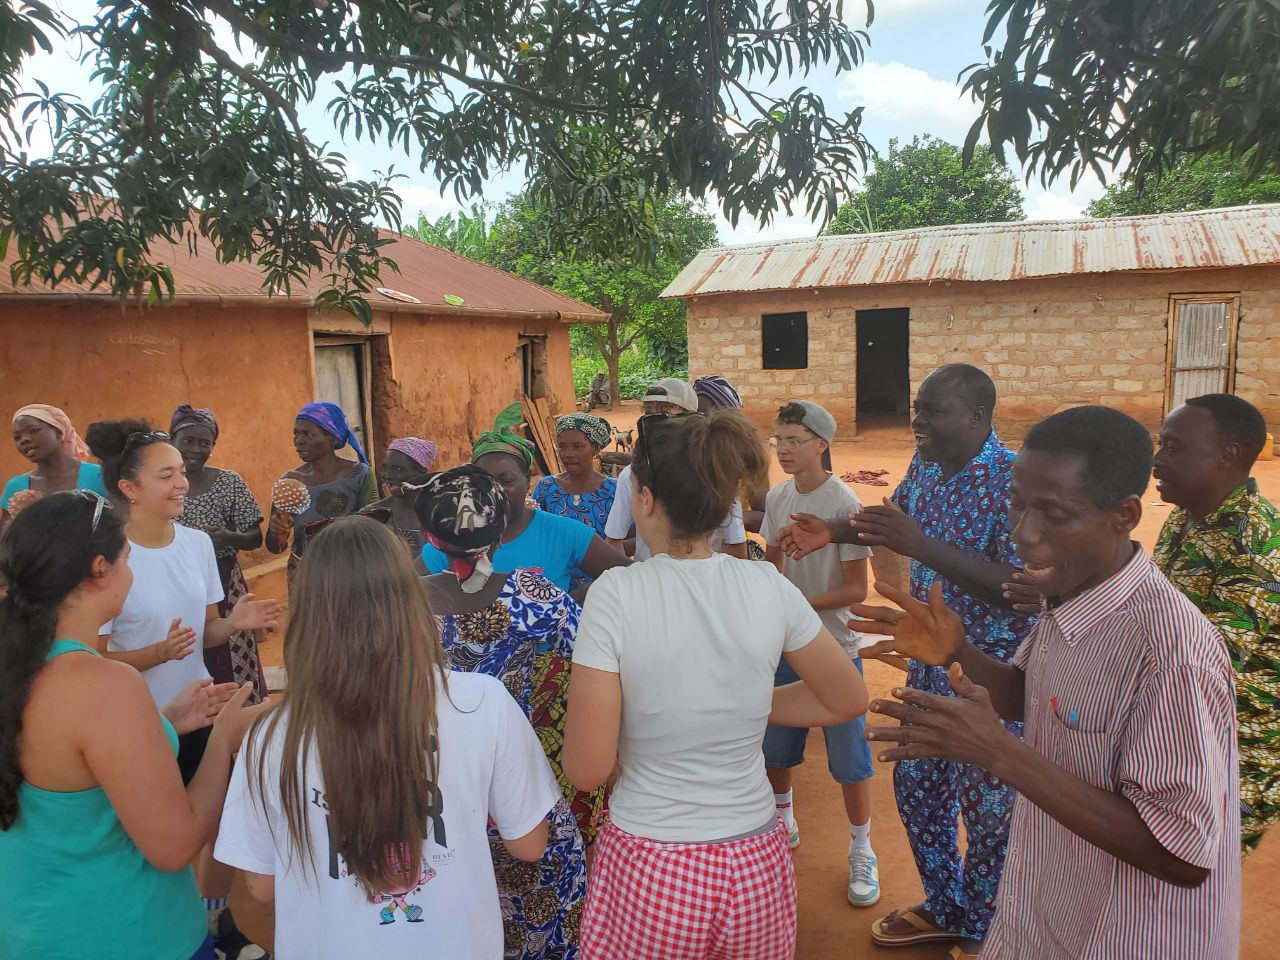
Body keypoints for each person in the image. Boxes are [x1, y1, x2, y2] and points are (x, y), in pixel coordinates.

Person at [857, 406, 1241, 959]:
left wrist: (999, 754)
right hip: (1045, 912)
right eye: (1017, 503)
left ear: (1124, 516)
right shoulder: (1070, 597)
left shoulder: (1171, 654)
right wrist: (957, 651)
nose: (1023, 534)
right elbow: (1027, 696)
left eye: (1055, 514)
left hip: (1121, 937)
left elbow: (1181, 855)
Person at [563, 409, 868, 960]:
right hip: (754, 859)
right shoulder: (766, 583)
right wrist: (739, 705)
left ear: (644, 499)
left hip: (653, 861)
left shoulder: (616, 594)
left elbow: (587, 769)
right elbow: (846, 697)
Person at [216, 517, 562, 959]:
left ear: (308, 618)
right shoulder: (481, 702)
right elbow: (529, 844)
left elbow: (262, 885)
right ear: (413, 601)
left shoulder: (270, 736)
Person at [777, 364, 1034, 954]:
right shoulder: (928, 463)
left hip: (989, 678)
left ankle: (984, 928)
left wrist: (922, 546)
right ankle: (944, 905)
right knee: (919, 789)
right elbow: (892, 524)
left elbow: (1020, 587)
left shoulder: (1015, 478)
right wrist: (832, 530)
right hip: (926, 664)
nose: (918, 421)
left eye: (933, 411)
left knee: (990, 811)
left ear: (977, 416)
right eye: (917, 408)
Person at [0, 491, 264, 960]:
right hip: (130, 933)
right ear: (100, 569)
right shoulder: (104, 685)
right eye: (127, 558)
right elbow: (175, 844)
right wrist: (222, 738)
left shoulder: (22, 666)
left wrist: (163, 724)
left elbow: (67, 766)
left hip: (33, 930)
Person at [86, 420, 281, 960]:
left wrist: (235, 622)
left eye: (180, 472)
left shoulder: (195, 544)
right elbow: (90, 659)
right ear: (129, 488)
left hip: (199, 710)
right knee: (154, 837)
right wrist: (156, 655)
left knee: (215, 819)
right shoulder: (110, 559)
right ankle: (163, 932)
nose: (182, 484)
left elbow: (206, 630)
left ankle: (217, 923)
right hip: (140, 725)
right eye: (166, 475)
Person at [419, 466, 593, 959]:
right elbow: (590, 655)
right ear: (500, 533)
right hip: (517, 774)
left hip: (434, 779)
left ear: (431, 537)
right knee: (547, 885)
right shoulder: (534, 596)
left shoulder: (406, 603)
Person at [760, 401, 879, 906]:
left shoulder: (844, 502)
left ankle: (862, 848)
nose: (784, 450)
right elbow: (772, 567)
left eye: (795, 440)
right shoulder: (777, 496)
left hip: (834, 648)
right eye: (779, 440)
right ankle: (784, 818)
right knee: (777, 748)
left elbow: (856, 589)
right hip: (786, 646)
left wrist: (798, 608)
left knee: (851, 759)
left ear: (821, 445)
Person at [1152, 393, 1280, 856]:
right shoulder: (1183, 519)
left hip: (1231, 755)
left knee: (1191, 876)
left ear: (1227, 456)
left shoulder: (1258, 540)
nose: (1157, 460)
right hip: (1174, 734)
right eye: (1161, 445)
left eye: (1174, 448)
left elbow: (1211, 661)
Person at [421, 431, 630, 597]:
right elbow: (406, 593)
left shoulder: (564, 533)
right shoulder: (453, 540)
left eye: (506, 481)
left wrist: (572, 602)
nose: (495, 491)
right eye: (484, 481)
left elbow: (630, 578)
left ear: (527, 478)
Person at [170, 405, 268, 703]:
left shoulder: (228, 482)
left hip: (226, 584)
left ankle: (242, 713)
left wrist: (228, 537)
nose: (195, 449)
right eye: (188, 441)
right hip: (177, 583)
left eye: (204, 443)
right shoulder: (164, 483)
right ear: (172, 440)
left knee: (234, 651)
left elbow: (255, 537)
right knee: (186, 647)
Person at [604, 379, 750, 559]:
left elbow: (735, 543)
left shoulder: (717, 472)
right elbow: (614, 539)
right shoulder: (631, 475)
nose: (658, 426)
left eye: (667, 416)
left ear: (692, 419)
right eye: (650, 416)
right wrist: (636, 575)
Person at [264, 402, 377, 570]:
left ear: (333, 438)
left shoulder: (360, 475)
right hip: (305, 573)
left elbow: (374, 529)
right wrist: (277, 532)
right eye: (296, 434)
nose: (299, 441)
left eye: (308, 434)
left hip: (351, 572)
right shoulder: (290, 483)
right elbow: (275, 547)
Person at [532, 414, 618, 587]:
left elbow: (633, 538)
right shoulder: (546, 488)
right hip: (554, 587)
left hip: (602, 586)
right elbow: (533, 533)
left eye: (577, 446)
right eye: (562, 447)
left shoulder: (613, 491)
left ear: (595, 449)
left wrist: (592, 551)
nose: (568, 454)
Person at [2, 403, 109, 528]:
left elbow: (114, 528)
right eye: (17, 437)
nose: (24, 439)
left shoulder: (99, 476)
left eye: (34, 430)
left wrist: (37, 510)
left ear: (58, 433)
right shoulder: (15, 487)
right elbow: (6, 536)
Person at [694, 375, 769, 537]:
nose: (700, 420)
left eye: (705, 413)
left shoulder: (747, 455)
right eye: (695, 414)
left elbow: (764, 518)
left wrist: (719, 518)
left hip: (734, 547)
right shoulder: (686, 448)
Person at [368, 437, 439, 553]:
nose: (388, 475)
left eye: (398, 469)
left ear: (421, 473)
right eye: (384, 468)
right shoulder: (373, 515)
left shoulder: (441, 515)